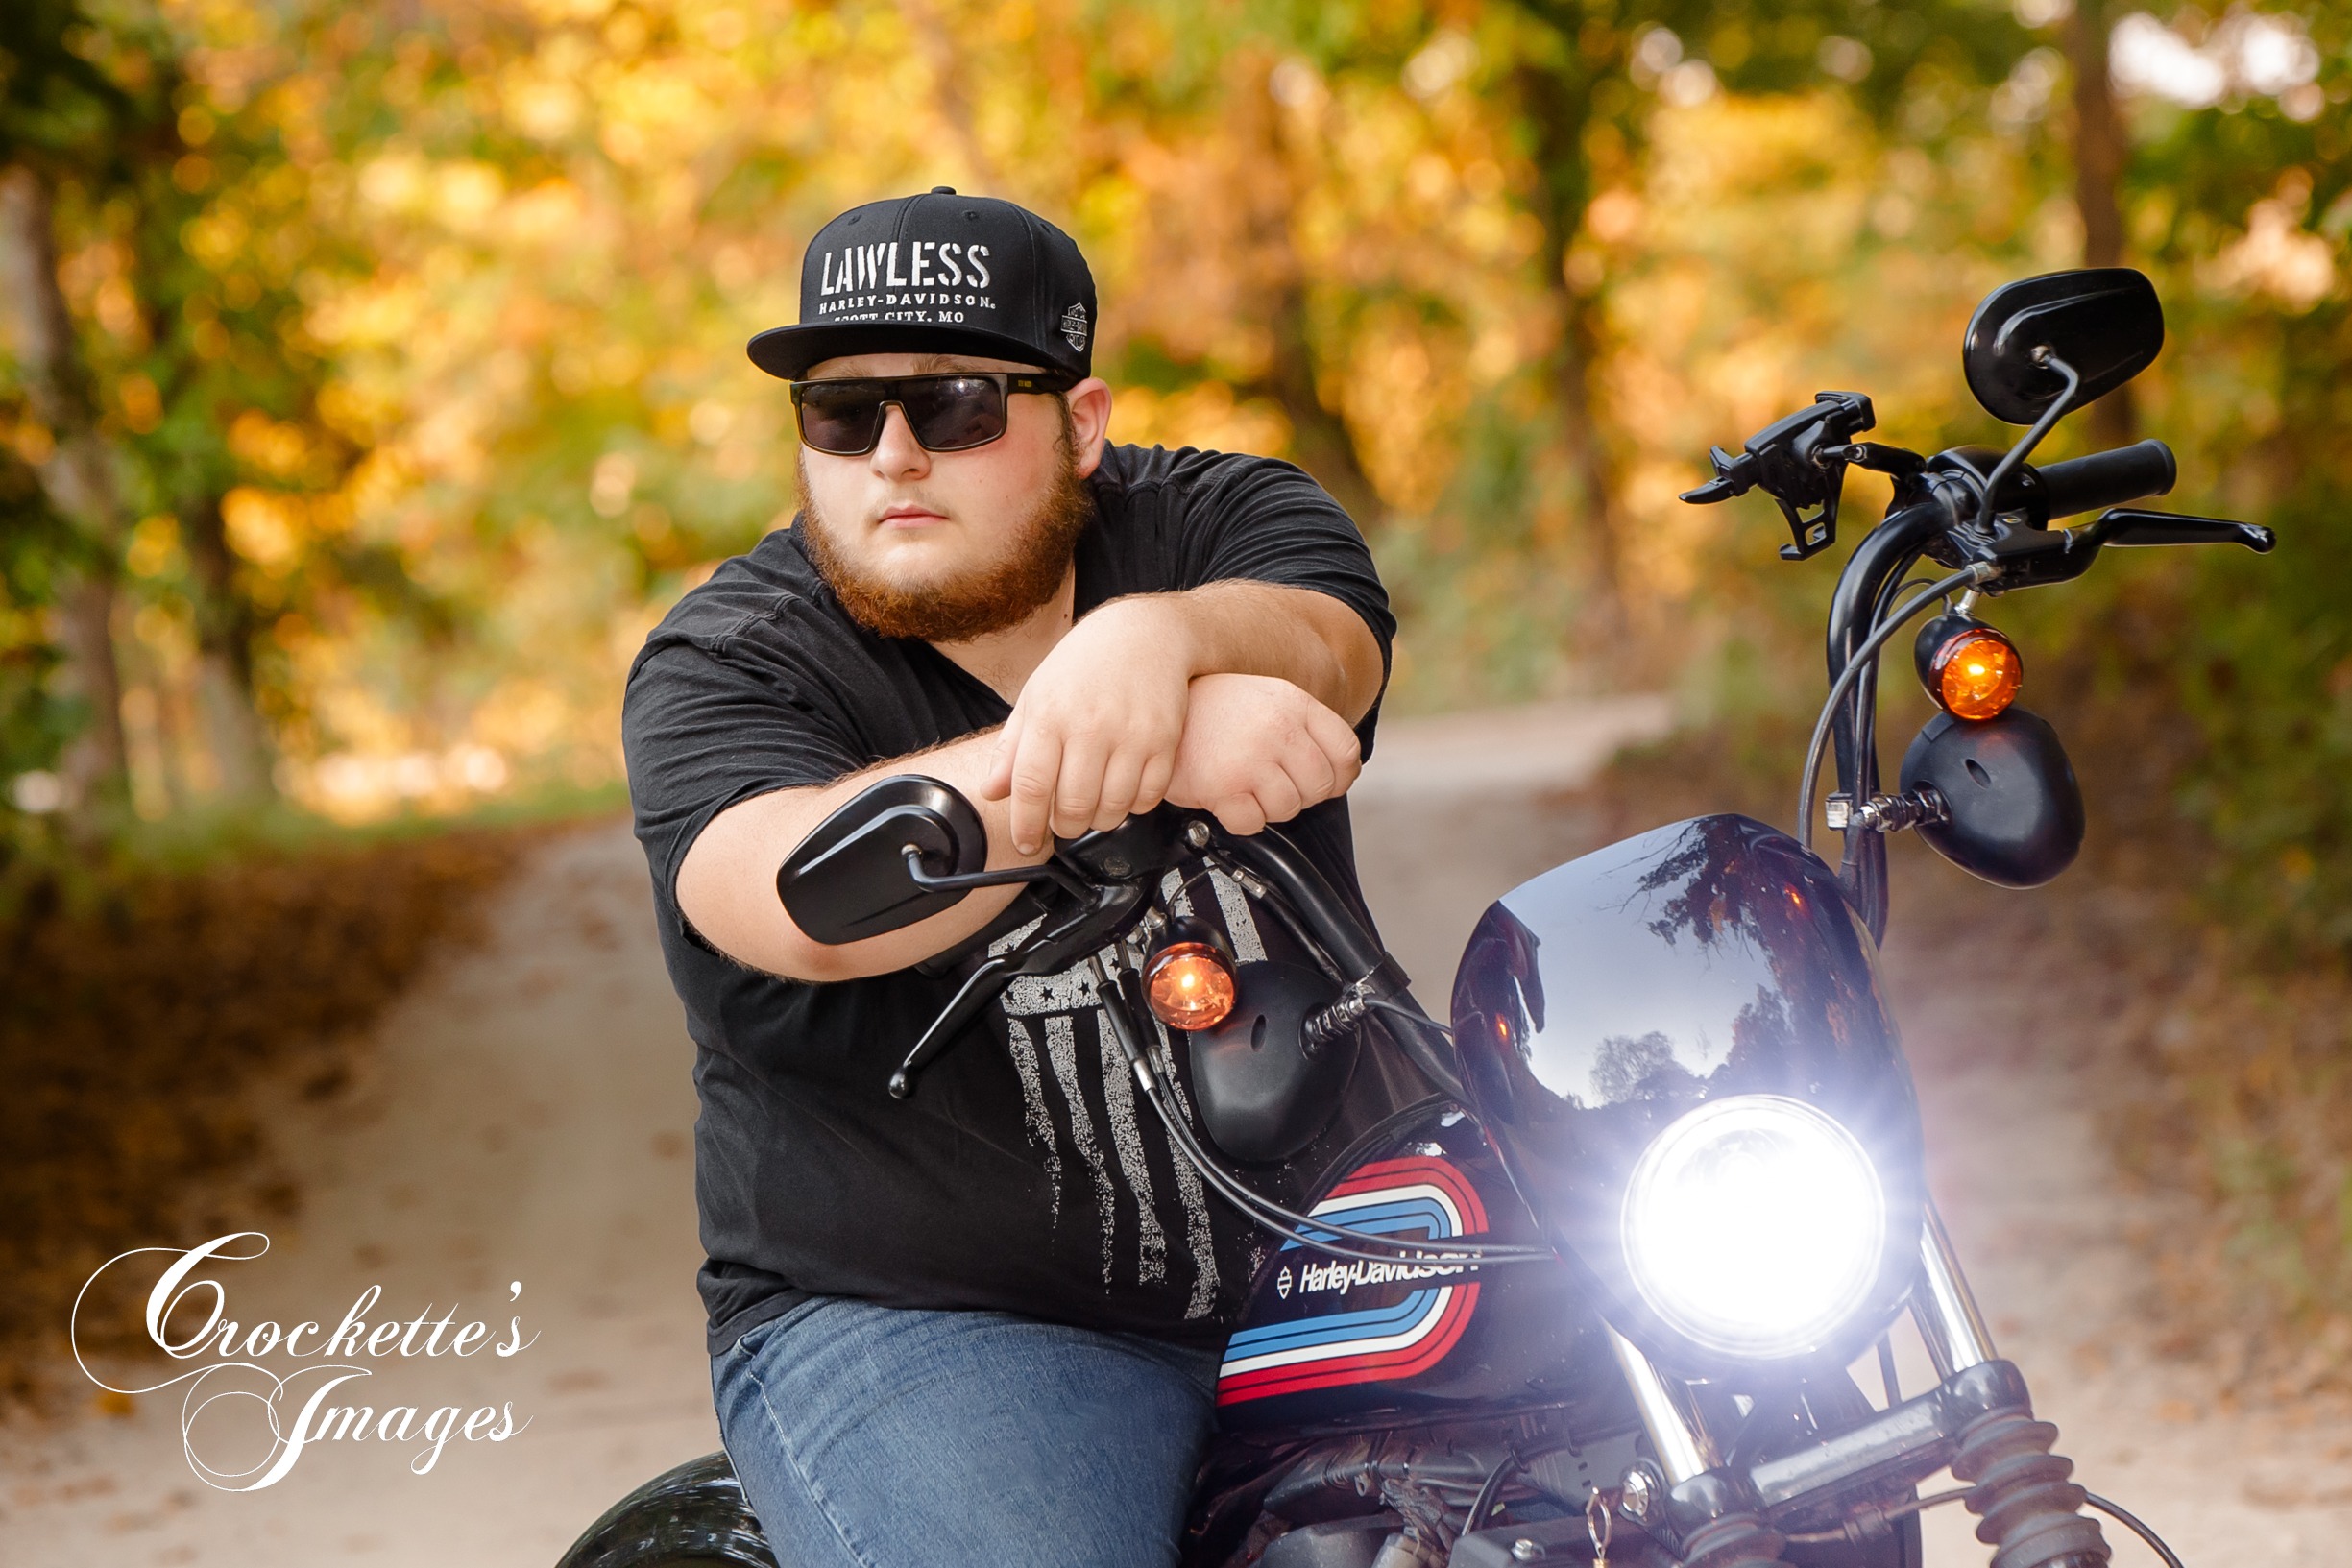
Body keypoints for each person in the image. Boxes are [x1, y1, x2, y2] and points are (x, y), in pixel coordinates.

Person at [621, 188, 1396, 1568]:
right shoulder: (727, 658)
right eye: (840, 415)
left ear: (1081, 422)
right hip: (937, 1319)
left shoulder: (1215, 519)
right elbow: (785, 890)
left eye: (959, 403)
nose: (893, 456)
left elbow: (1331, 649)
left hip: (1355, 1237)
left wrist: (1158, 639)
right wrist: (1137, 739)